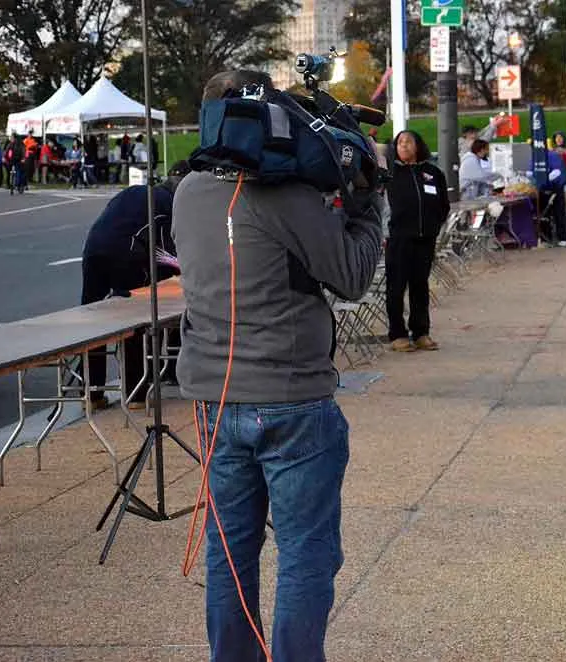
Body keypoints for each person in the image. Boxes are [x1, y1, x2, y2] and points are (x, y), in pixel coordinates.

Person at [172, 70, 382, 662]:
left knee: (229, 554)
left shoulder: (188, 192)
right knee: (306, 553)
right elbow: (352, 274)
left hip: (215, 400)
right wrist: (369, 205)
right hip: (292, 402)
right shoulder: (285, 195)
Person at [80, 160, 192, 410]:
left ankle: (91, 394)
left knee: (93, 322)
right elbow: (167, 254)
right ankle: (136, 393)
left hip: (93, 250)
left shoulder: (135, 192)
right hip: (127, 255)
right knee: (136, 320)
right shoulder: (168, 205)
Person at [385, 130, 450, 352]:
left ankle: (421, 332)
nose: (404, 145)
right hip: (398, 239)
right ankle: (397, 334)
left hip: (425, 239)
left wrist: (433, 225)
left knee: (420, 286)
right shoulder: (389, 173)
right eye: (400, 142)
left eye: (408, 142)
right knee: (396, 287)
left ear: (418, 145)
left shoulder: (432, 173)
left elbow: (443, 204)